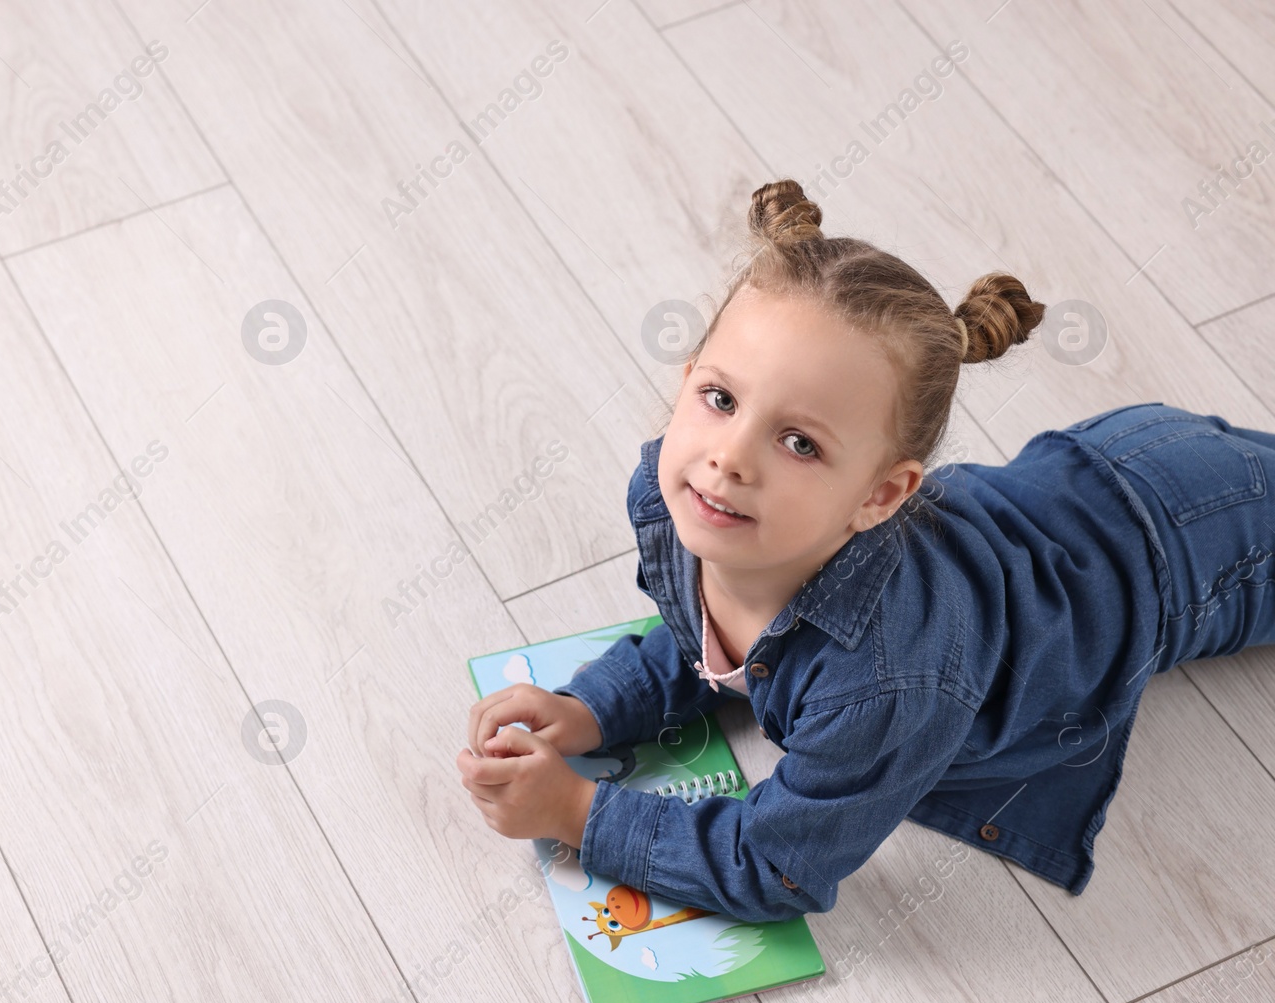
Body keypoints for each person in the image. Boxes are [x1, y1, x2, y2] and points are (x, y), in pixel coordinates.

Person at [456, 177, 1275, 924]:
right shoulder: (688, 504)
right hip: (1088, 473)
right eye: (720, 397)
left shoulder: (888, 673)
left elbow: (777, 865)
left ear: (881, 495)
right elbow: (709, 633)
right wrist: (596, 707)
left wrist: (577, 813)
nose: (730, 455)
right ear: (686, 378)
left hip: (1193, 547)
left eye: (799, 443)